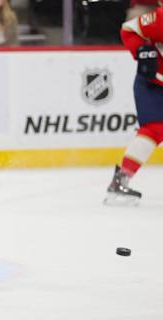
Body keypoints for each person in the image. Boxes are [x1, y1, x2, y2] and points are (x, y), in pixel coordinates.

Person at [104, 4, 163, 205]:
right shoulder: (159, 20)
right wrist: (142, 50)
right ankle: (121, 180)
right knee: (154, 129)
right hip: (153, 84)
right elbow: (129, 29)